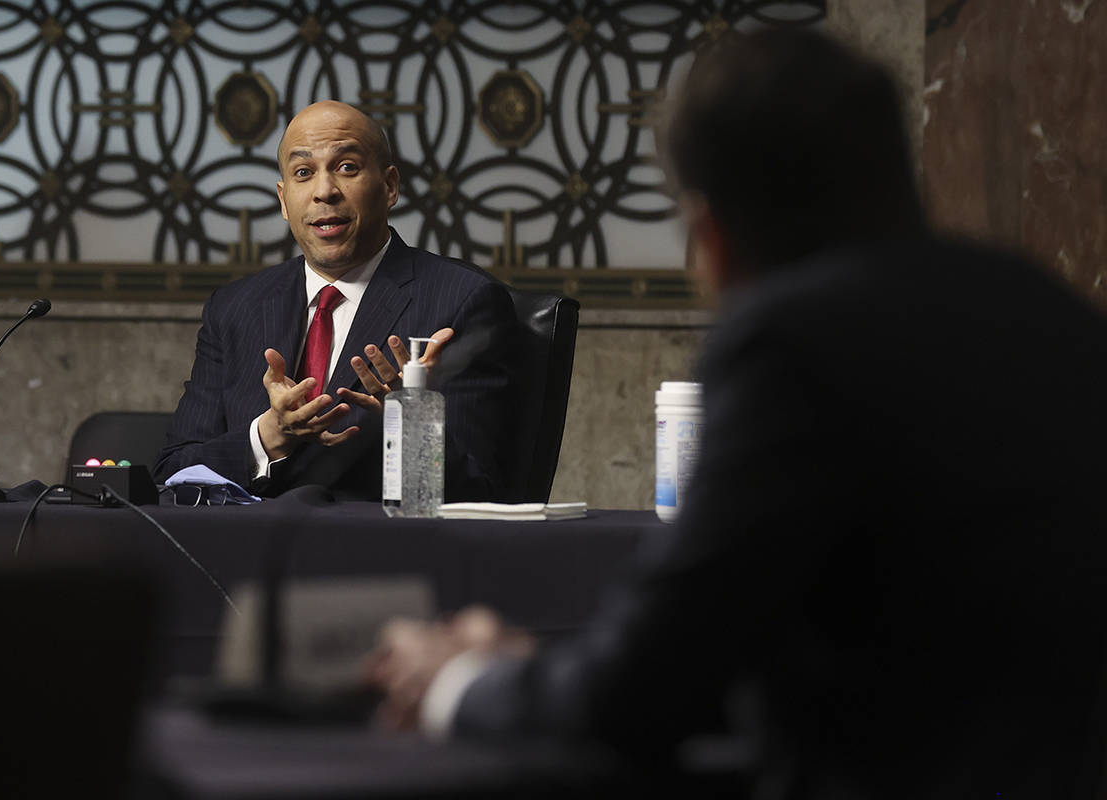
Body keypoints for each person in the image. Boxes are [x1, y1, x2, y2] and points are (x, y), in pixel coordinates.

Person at [366, 30, 1107, 798]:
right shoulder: (1052, 310)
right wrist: (534, 668)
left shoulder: (792, 340)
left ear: (711, 238)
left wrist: (463, 681)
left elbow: (643, 692)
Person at [155, 101, 515, 500]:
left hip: (379, 554)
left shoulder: (462, 301)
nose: (324, 192)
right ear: (283, 199)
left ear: (390, 186)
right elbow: (174, 473)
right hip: (244, 554)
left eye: (347, 167)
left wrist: (407, 422)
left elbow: (485, 492)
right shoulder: (235, 308)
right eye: (303, 173)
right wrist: (270, 435)